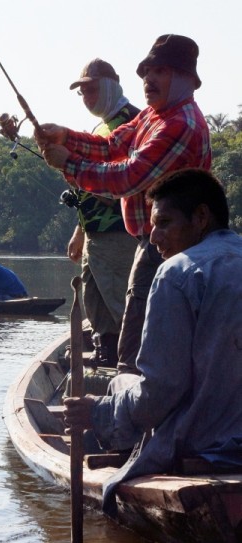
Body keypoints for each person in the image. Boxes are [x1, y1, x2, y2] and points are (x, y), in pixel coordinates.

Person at [64, 168, 242, 516]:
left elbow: (159, 394)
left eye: (163, 223)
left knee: (118, 384)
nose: (154, 237)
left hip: (205, 442)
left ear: (201, 217)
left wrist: (98, 410)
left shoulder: (177, 272)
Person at [37, 34, 211, 375]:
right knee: (138, 331)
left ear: (184, 79)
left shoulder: (181, 125)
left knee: (140, 339)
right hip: (152, 242)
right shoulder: (152, 115)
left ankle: (136, 409)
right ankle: (135, 402)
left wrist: (69, 164)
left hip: (179, 249)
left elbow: (129, 177)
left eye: (160, 71)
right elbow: (111, 146)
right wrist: (65, 136)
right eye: (146, 72)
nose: (148, 80)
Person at [61, 59, 139, 368]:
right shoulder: (99, 126)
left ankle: (134, 361)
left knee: (121, 299)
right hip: (94, 234)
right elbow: (88, 186)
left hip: (120, 233)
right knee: (94, 297)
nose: (87, 97)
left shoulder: (131, 121)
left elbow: (130, 179)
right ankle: (108, 352)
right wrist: (80, 231)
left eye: (91, 89)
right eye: (81, 92)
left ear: (112, 84)